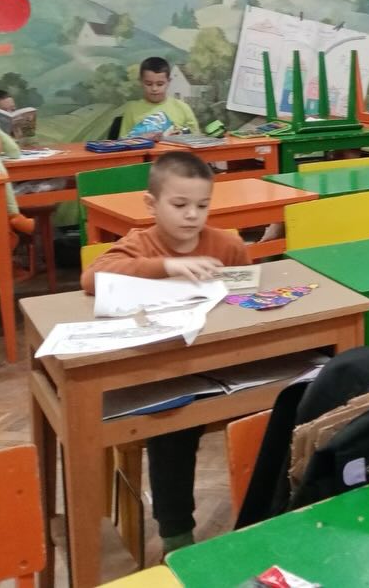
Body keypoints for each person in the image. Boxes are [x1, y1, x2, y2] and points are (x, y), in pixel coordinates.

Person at [81, 151, 250, 552]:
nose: (192, 215)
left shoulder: (227, 245)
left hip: (225, 365)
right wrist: (166, 267)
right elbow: (92, 278)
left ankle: (264, 514)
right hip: (166, 372)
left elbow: (247, 293)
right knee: (171, 423)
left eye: (202, 206)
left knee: (282, 400)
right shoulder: (140, 244)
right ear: (151, 204)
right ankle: (176, 536)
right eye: (179, 205)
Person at [119, 56, 201, 139]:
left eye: (160, 84)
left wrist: (181, 135)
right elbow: (122, 142)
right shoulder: (132, 109)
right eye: (149, 84)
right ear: (141, 82)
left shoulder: (183, 108)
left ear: (168, 82)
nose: (154, 89)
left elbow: (197, 139)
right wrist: (143, 138)